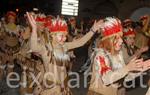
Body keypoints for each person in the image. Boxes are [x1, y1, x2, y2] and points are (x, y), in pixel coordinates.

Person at [27, 12, 103, 95]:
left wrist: (93, 30)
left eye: (65, 35)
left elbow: (80, 42)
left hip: (64, 83)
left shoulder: (64, 46)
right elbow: (33, 47)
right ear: (53, 35)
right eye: (61, 36)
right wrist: (34, 30)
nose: (64, 38)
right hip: (51, 86)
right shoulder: (46, 48)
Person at [87, 17, 150, 95]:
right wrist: (127, 68)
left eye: (121, 37)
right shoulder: (101, 55)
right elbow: (106, 78)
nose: (121, 41)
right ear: (109, 40)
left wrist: (139, 70)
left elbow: (124, 78)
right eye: (117, 38)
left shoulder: (118, 54)